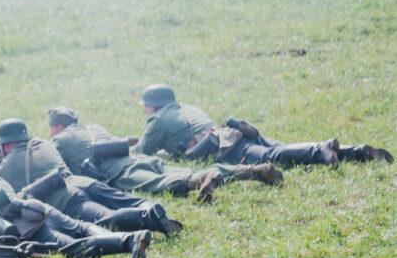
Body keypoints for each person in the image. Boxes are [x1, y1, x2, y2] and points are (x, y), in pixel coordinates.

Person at [0, 149, 151, 258]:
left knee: (74, 249)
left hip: (29, 229)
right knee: (82, 227)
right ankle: (134, 225)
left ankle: (129, 241)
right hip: (38, 208)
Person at [48, 106, 282, 202]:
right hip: (137, 159)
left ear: (57, 126)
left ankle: (201, 180)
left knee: (166, 182)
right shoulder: (95, 127)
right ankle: (252, 170)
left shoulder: (59, 140)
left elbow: (61, 174)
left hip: (118, 173)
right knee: (181, 170)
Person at [0, 118, 183, 235]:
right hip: (86, 182)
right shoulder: (43, 143)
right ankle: (154, 210)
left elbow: (6, 200)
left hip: (67, 198)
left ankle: (148, 218)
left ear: (6, 145)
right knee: (129, 201)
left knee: (106, 218)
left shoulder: (6, 168)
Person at [136, 83, 392, 167]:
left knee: (272, 156)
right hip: (232, 133)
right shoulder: (186, 107)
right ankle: (357, 151)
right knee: (282, 147)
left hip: (225, 147)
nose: (145, 110)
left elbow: (142, 151)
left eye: (146, 105)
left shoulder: (158, 120)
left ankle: (323, 150)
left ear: (153, 105)